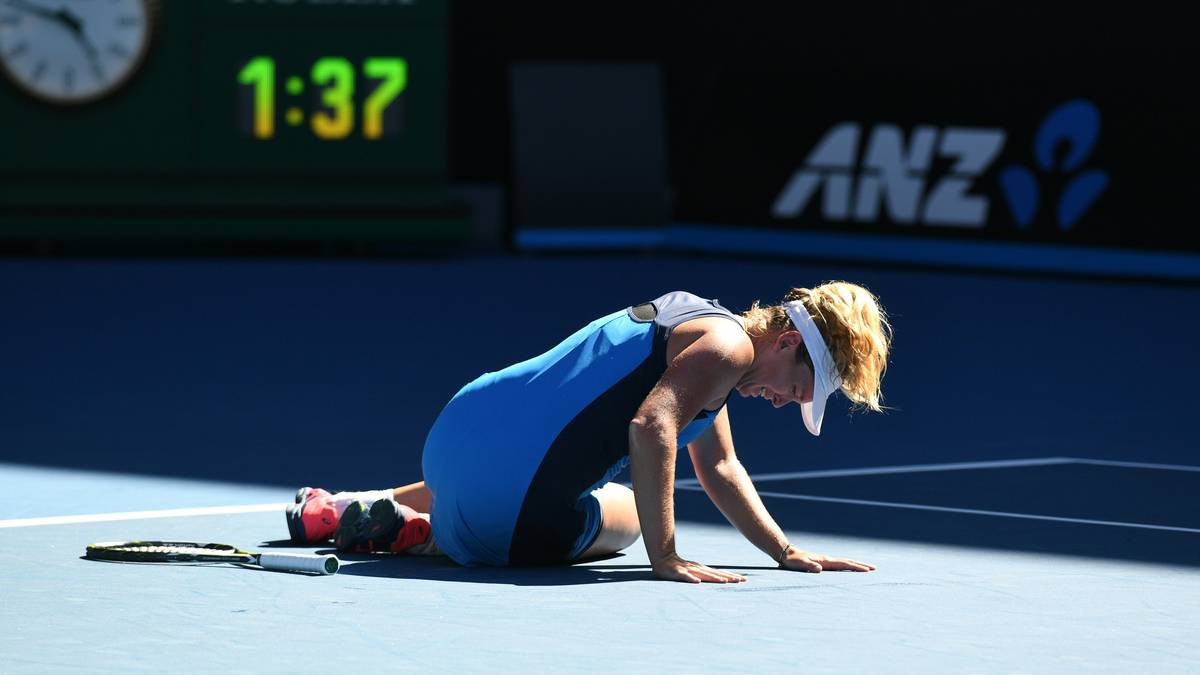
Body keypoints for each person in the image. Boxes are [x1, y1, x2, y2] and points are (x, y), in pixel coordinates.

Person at [286, 282, 892, 584]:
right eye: (799, 388)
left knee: (511, 458)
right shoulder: (727, 355)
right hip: (509, 515)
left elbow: (722, 467)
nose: (788, 403)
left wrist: (784, 553)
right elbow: (651, 427)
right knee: (626, 509)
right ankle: (425, 537)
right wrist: (667, 558)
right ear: (787, 342)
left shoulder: (708, 333)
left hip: (457, 430)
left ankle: (352, 508)